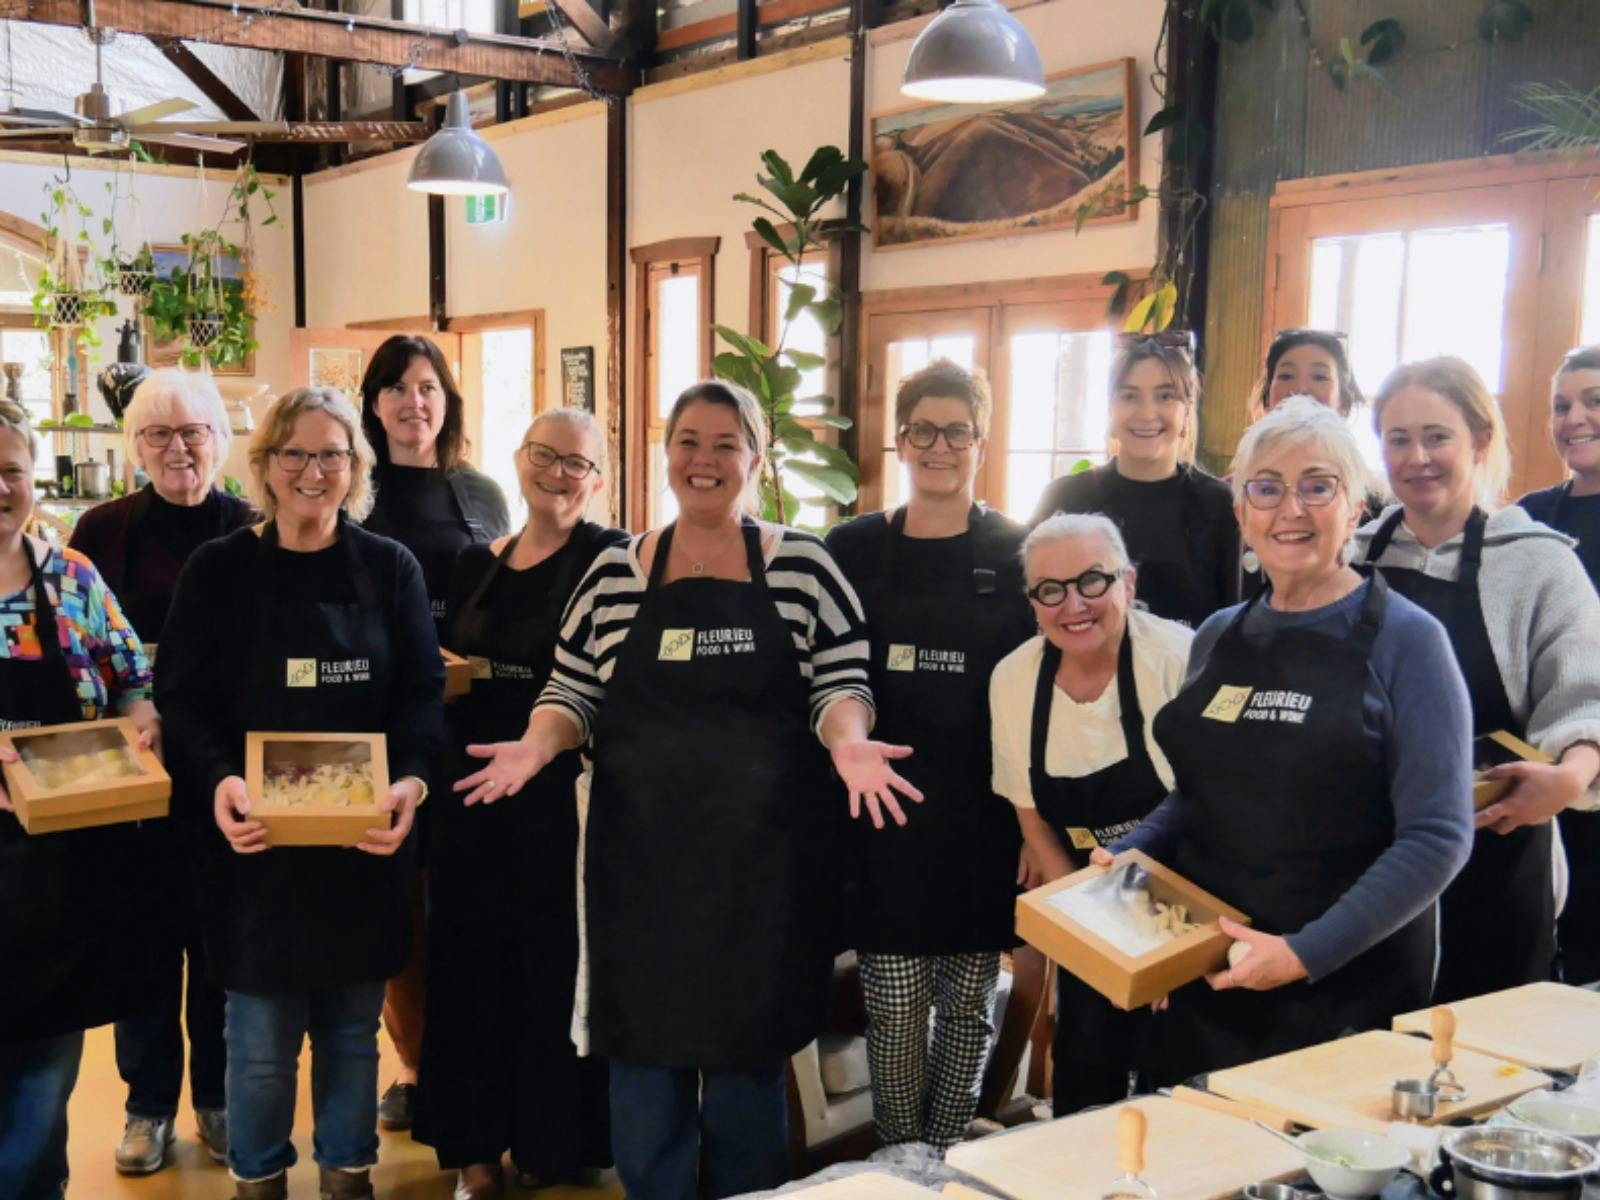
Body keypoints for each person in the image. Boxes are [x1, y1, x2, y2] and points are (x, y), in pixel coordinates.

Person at [459, 380, 917, 1200]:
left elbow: (841, 681)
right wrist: (537, 744)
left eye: (724, 443)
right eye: (688, 442)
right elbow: (571, 691)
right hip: (636, 865)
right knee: (643, 1059)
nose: (704, 460)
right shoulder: (613, 572)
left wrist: (849, 744)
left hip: (761, 866)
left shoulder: (803, 564)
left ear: (755, 457)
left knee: (747, 1064)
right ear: (664, 454)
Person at [1099, 396, 1472, 1079]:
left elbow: (1438, 837)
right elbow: (1197, 797)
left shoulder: (1410, 642)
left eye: (1318, 486)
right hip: (1210, 973)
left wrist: (1304, 953)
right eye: (1266, 488)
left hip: (1347, 989)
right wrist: (1133, 850)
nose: (1289, 509)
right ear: (1241, 511)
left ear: (1357, 506)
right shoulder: (1218, 635)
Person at [157, 387, 444, 1200]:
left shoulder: (391, 568)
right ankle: (260, 1179)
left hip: (363, 845)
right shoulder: (218, 571)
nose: (313, 472)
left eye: (332, 455)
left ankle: (347, 1176)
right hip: (254, 849)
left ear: (356, 468)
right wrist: (219, 781)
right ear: (266, 465)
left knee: (354, 1034)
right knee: (257, 1040)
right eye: (296, 454)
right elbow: (180, 697)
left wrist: (411, 785)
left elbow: (421, 695)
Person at [414, 409, 625, 1200]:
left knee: (552, 977)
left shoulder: (615, 560)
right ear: (518, 459)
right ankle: (473, 1152)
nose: (559, 473)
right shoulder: (475, 562)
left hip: (562, 809)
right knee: (468, 975)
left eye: (578, 463)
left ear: (599, 478)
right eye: (545, 456)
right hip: (471, 802)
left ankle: (550, 1141)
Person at [824, 361, 1033, 1154]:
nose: (938, 446)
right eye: (923, 430)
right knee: (896, 1001)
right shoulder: (852, 548)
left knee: (969, 999)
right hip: (880, 820)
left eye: (957, 432)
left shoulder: (1016, 551)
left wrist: (1033, 828)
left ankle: (942, 1153)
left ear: (981, 443)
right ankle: (898, 1152)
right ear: (900, 440)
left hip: (982, 820)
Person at [1358, 357, 1600, 1002]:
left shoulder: (1537, 564)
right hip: (1360, 865)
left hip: (1495, 855)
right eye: (1398, 438)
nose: (1417, 457)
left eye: (1437, 436)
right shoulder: (1349, 559)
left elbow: (1587, 697)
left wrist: (1569, 778)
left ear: (1480, 440)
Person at [69, 368, 253, 1174]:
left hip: (227, 771)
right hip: (129, 776)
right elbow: (73, 649)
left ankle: (216, 1100)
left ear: (221, 438)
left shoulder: (255, 527)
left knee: (217, 946)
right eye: (157, 434)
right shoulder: (100, 531)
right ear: (134, 446)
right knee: (141, 945)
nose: (177, 449)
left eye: (193, 432)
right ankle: (147, 1109)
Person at [0, 399, 161, 1200]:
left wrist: (139, 721)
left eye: (11, 471)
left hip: (61, 862)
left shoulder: (72, 577)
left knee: (45, 1064)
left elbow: (133, 673)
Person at [991, 513, 1191, 1113]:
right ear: (1032, 602)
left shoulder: (1177, 657)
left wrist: (1163, 949)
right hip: (1086, 898)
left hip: (1184, 901)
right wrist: (1105, 934)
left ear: (1127, 583)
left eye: (1093, 582)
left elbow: (1210, 808)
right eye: (1050, 590)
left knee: (1173, 1082)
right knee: (1083, 1066)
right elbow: (1034, 822)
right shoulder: (1014, 678)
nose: (1072, 605)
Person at [357, 334, 508, 1130]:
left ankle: (478, 1059)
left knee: (471, 902)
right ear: (373, 402)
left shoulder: (479, 493)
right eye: (397, 388)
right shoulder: (352, 487)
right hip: (382, 728)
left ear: (446, 402)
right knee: (401, 908)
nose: (414, 403)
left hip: (477, 724)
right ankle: (414, 1068)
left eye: (428, 387)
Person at [1030, 333, 1238, 630]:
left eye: (1165, 396)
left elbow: (1235, 624)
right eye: (1129, 396)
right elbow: (1034, 608)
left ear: (1187, 410)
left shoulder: (1219, 505)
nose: (1146, 413)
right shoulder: (1065, 498)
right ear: (1110, 408)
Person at [1518, 346, 1600, 985]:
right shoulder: (1529, 518)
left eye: (1594, 401)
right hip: (1544, 763)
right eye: (1562, 405)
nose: (1575, 418)